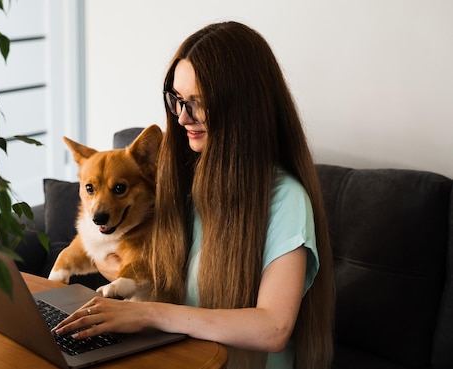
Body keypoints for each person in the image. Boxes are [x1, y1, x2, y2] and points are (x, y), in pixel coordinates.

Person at [53, 21, 335, 369]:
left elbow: (273, 328)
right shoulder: (179, 178)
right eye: (178, 100)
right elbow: (145, 270)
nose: (183, 117)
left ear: (242, 107)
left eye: (198, 103)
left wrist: (148, 314)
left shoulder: (285, 200)